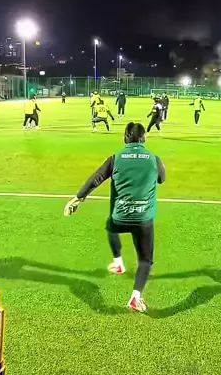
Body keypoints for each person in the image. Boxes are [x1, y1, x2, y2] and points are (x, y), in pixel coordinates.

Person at [64, 122, 166, 313]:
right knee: (145, 260)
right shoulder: (154, 159)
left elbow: (95, 179)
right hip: (143, 219)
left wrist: (77, 199)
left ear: (125, 138)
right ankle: (136, 297)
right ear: (144, 138)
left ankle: (118, 262)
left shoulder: (115, 158)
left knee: (111, 225)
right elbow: (162, 179)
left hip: (120, 218)